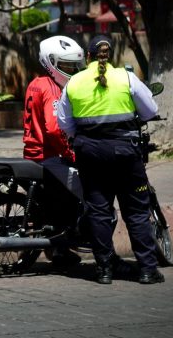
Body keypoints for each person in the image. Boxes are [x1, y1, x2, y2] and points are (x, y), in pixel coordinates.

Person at [57, 35, 164, 285]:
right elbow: (150, 109)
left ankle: (104, 270)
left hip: (90, 156)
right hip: (126, 154)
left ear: (88, 57)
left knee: (98, 212)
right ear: (110, 55)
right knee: (137, 212)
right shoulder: (126, 78)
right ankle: (148, 270)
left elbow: (64, 124)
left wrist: (87, 136)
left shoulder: (73, 84)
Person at [23, 35, 85, 267]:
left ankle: (60, 246)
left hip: (33, 154)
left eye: (73, 66)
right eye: (67, 66)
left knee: (60, 201)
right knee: (87, 189)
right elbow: (53, 129)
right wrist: (71, 154)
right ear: (50, 63)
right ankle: (66, 247)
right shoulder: (51, 89)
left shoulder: (36, 83)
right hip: (48, 156)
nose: (71, 70)